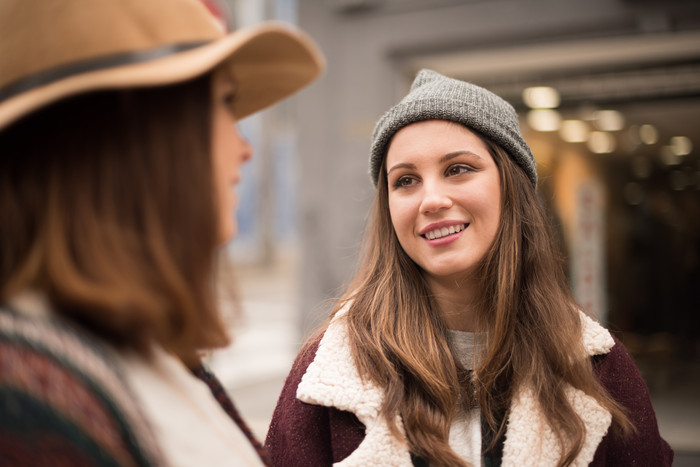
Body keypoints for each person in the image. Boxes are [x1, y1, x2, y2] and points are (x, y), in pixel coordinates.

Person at [264, 69, 673, 466]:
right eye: (405, 180)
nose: (432, 199)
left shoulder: (598, 368)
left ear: (510, 188)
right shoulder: (328, 373)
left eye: (458, 169)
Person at [0, 0, 323, 465]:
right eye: (224, 104)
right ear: (131, 137)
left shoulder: (149, 354)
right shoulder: (25, 400)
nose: (245, 148)